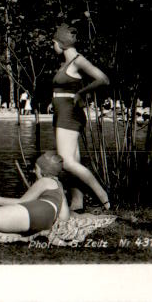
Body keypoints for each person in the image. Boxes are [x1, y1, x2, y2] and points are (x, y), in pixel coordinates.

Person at [50, 23, 110, 211]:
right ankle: (77, 203)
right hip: (63, 112)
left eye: (54, 42)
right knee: (73, 161)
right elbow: (64, 88)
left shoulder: (78, 60)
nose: (53, 46)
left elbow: (103, 79)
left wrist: (81, 93)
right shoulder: (66, 63)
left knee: (66, 162)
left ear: (61, 43)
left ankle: (103, 198)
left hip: (69, 114)